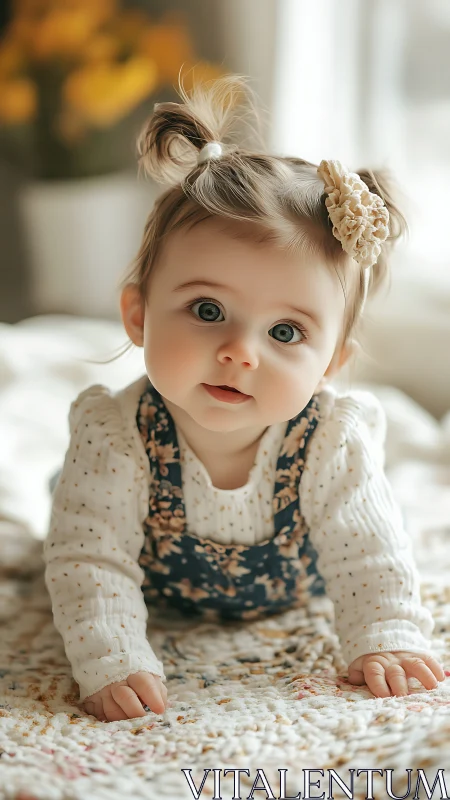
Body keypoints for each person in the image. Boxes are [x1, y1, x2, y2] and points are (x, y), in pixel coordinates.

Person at [43, 74, 445, 723]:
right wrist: (113, 655)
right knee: (71, 515)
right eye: (207, 309)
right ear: (139, 315)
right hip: (157, 585)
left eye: (286, 332)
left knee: (383, 510)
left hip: (297, 588)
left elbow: (370, 552)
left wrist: (387, 633)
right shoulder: (116, 432)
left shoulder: (331, 438)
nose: (240, 352)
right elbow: (89, 558)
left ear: (331, 365)